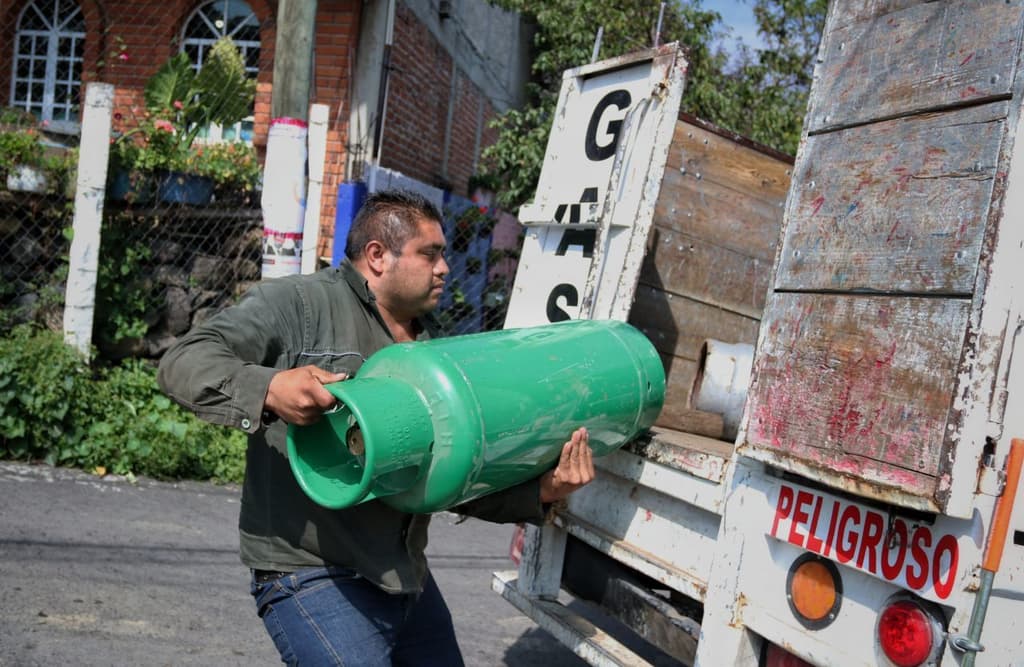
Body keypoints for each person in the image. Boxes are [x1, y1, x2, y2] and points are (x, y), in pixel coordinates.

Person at [157, 189, 595, 666]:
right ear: (377, 256)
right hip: (309, 574)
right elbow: (183, 361)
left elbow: (446, 477)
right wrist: (270, 388)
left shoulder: (429, 350)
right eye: (430, 254)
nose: (445, 268)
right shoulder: (300, 305)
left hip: (405, 579)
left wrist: (543, 491)